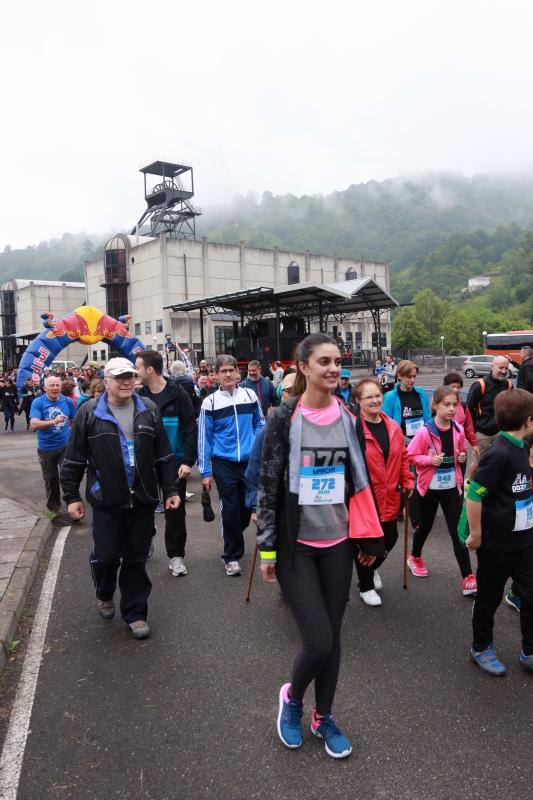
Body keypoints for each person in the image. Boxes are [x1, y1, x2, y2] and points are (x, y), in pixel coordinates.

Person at [256, 334, 384, 759]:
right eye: (323, 361)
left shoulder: (348, 417)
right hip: (297, 545)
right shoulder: (284, 417)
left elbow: (360, 480)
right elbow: (269, 482)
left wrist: (369, 536)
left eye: (337, 361)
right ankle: (292, 699)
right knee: (318, 640)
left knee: (334, 636)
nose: (333, 368)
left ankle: (324, 716)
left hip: (338, 542)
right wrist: (268, 548)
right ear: (303, 368)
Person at [60, 357, 180, 639]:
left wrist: (171, 489)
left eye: (130, 376)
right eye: (120, 377)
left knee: (136, 558)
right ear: (107, 379)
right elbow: (74, 458)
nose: (126, 381)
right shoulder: (89, 413)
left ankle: (135, 612)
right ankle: (104, 593)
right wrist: (71, 497)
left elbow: (163, 455)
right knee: (106, 557)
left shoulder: (148, 410)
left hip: (142, 500)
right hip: (106, 502)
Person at [465, 388, 533, 675]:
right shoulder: (499, 453)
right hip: (496, 544)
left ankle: (529, 649)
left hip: (525, 541)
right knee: (489, 598)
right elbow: (475, 495)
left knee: (531, 596)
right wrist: (477, 534)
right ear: (528, 421)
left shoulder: (522, 447)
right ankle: (481, 646)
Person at [197, 354, 265, 576]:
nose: (228, 375)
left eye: (231, 370)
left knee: (246, 509)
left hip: (249, 462)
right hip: (223, 463)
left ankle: (232, 531)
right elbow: (204, 437)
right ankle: (231, 556)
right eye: (223, 371)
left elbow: (260, 424)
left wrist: (258, 447)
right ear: (216, 375)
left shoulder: (250, 395)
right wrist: (205, 471)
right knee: (231, 509)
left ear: (238, 373)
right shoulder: (211, 402)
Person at [406, 386, 476, 595]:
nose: (452, 409)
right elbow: (409, 456)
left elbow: (461, 453)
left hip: (450, 490)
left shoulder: (458, 429)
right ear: (435, 406)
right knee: (425, 526)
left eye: (455, 405)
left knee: (457, 532)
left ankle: (468, 578)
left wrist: (462, 457)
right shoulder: (425, 431)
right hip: (428, 489)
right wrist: (429, 460)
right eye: (446, 405)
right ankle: (415, 556)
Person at [135, 351, 197, 577]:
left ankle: (176, 556)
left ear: (149, 369)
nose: (136, 372)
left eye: (138, 367)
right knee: (143, 508)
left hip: (175, 462)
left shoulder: (178, 394)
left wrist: (189, 461)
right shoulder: (138, 396)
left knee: (175, 512)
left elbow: (190, 428)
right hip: (145, 463)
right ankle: (145, 540)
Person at [353, 379, 414, 606]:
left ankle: (371, 567)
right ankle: (365, 585)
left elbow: (403, 457)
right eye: (369, 397)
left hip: (390, 495)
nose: (376, 400)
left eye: (378, 395)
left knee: (390, 538)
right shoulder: (354, 429)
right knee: (368, 543)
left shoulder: (392, 427)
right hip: (364, 497)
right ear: (358, 401)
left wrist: (408, 479)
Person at [382, 359, 431, 527]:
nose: (412, 380)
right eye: (409, 377)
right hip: (401, 442)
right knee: (404, 477)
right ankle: (411, 517)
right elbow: (386, 422)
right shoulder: (390, 397)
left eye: (414, 377)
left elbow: (427, 418)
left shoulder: (421, 394)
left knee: (416, 477)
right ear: (400, 377)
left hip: (420, 441)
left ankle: (409, 513)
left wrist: (427, 437)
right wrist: (402, 439)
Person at [30, 375, 76, 518]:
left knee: (67, 475)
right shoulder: (38, 402)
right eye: (52, 385)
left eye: (58, 385)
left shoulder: (67, 401)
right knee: (51, 478)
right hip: (46, 448)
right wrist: (53, 421)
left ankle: (73, 506)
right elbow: (34, 424)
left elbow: (76, 421)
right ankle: (53, 508)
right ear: (45, 388)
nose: (56, 388)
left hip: (65, 445)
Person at [466, 355, 513, 457]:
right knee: (480, 465)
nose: (504, 371)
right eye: (501, 367)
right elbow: (468, 410)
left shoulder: (509, 385)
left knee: (500, 463)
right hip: (482, 434)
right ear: (492, 366)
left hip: (502, 432)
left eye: (506, 368)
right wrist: (474, 431)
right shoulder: (480, 384)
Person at [442, 372, 479, 468]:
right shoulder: (439, 405)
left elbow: (468, 427)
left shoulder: (463, 405)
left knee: (460, 476)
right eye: (453, 386)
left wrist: (474, 444)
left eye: (458, 387)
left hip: (460, 448)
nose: (456, 389)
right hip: (443, 447)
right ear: (445, 387)